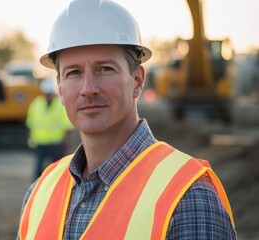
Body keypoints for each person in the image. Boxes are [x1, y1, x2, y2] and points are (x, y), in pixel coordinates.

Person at [17, 0, 236, 239]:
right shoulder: (39, 193)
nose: (88, 88)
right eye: (74, 72)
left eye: (105, 69)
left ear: (137, 81)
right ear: (60, 88)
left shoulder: (188, 196)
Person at [25, 77, 73, 180]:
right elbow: (30, 124)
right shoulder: (36, 104)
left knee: (58, 170)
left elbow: (67, 126)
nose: (48, 96)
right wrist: (31, 142)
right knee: (38, 170)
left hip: (56, 143)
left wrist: (67, 141)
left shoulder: (60, 106)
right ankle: (36, 188)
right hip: (40, 142)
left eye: (49, 94)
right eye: (46, 94)